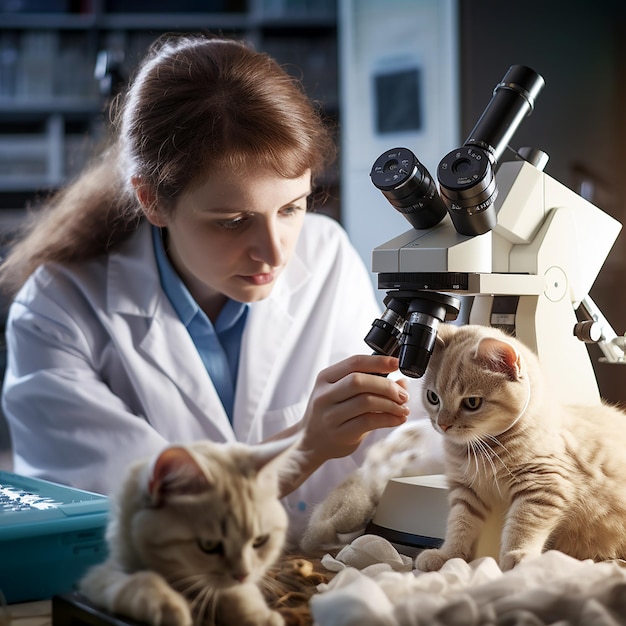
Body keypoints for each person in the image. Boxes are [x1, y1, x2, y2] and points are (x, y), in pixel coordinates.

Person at [0, 34, 414, 540]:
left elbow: (393, 445)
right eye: (233, 220)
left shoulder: (325, 253)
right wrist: (304, 445)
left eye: (290, 208)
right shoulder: (57, 308)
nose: (276, 252)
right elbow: (142, 513)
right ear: (152, 200)